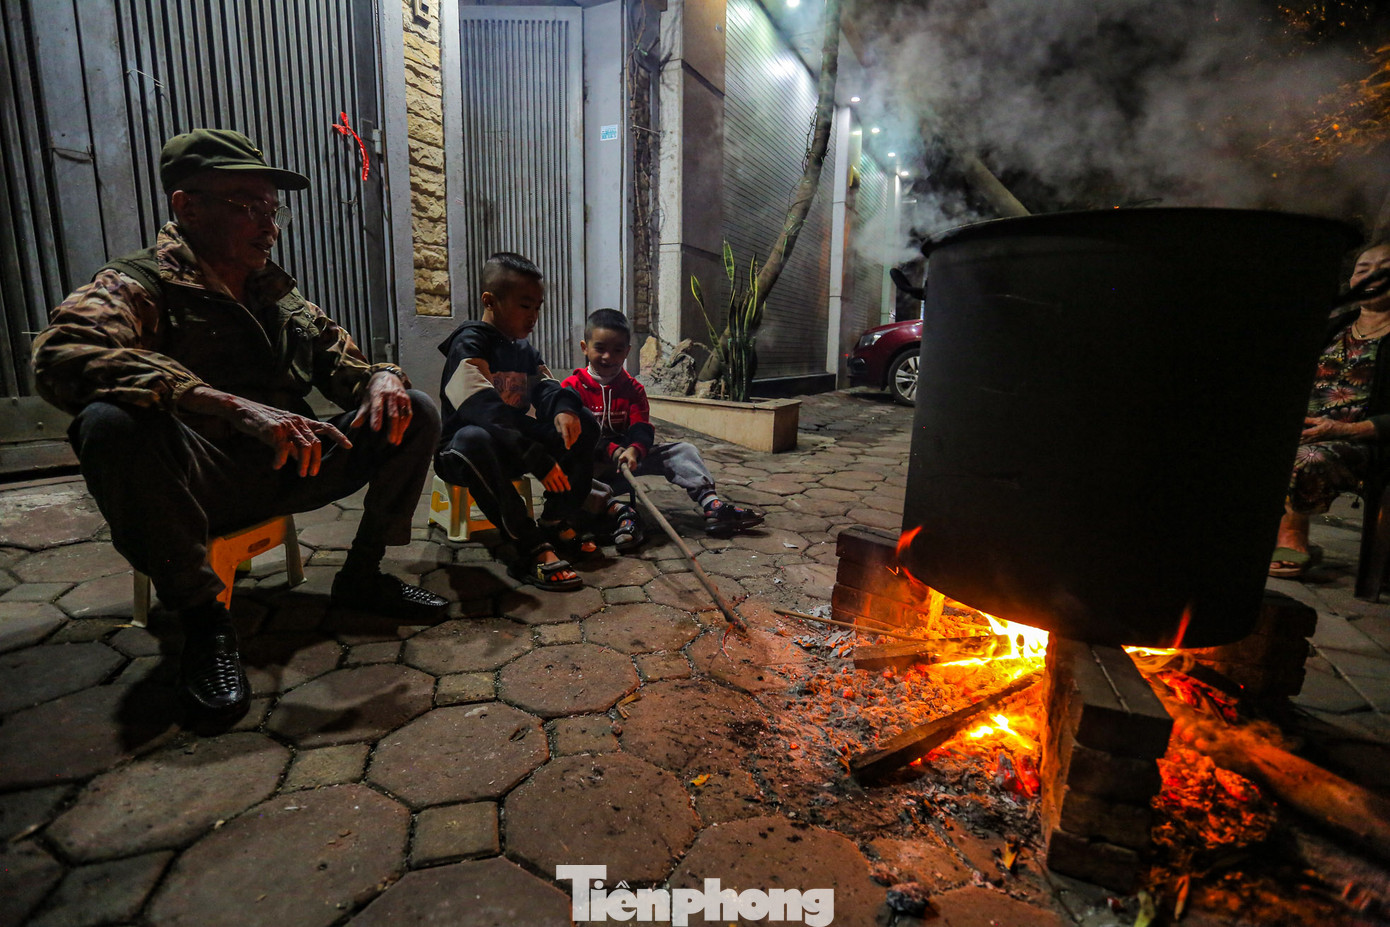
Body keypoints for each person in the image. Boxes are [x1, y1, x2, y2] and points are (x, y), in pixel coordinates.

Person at [30, 129, 447, 718]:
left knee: (414, 408)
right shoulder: (138, 283)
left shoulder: (274, 292)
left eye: (272, 211)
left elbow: (346, 365)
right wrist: (221, 402)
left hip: (292, 465)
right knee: (109, 423)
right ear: (187, 206)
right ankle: (204, 623)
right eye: (247, 207)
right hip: (199, 484)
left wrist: (382, 378)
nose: (268, 226)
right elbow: (62, 352)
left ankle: (363, 574)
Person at [434, 252, 599, 591]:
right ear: (490, 301)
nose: (534, 316)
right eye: (525, 306)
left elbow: (547, 387)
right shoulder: (469, 344)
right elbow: (482, 409)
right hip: (464, 455)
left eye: (538, 307)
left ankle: (555, 519)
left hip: (511, 448)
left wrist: (563, 408)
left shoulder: (524, 350)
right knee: (473, 438)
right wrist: (535, 457)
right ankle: (530, 546)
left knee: (581, 422)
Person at [561, 309, 764, 544]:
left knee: (683, 450)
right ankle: (619, 511)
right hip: (592, 471)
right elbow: (579, 437)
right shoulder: (571, 389)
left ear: (627, 351)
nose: (608, 356)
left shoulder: (633, 389)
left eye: (617, 350)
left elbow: (641, 426)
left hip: (627, 464)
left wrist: (634, 450)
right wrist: (611, 451)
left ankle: (712, 505)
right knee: (564, 474)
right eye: (600, 348)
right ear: (585, 347)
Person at [1271, 240, 1390, 578]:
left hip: (1367, 440)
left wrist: (1346, 429)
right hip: (1308, 429)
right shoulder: (1332, 326)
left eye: (1384, 269)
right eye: (1363, 270)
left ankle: (1292, 539)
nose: (1371, 276)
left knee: (1306, 456)